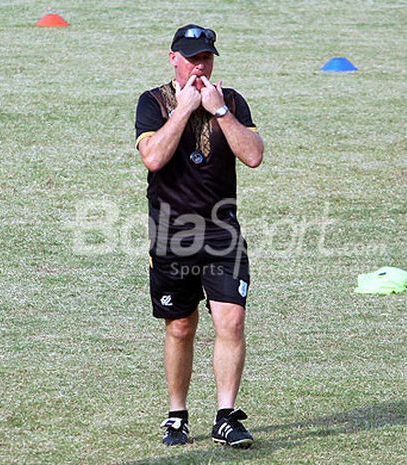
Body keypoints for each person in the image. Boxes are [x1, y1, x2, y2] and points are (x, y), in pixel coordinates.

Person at [135, 24, 264, 448]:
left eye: (206, 58)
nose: (199, 65)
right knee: (180, 326)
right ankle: (177, 415)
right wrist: (184, 110)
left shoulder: (232, 101)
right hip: (172, 237)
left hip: (223, 235)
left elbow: (253, 155)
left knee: (232, 318)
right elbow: (152, 158)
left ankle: (225, 415)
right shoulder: (152, 102)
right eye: (191, 58)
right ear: (172, 57)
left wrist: (220, 111)